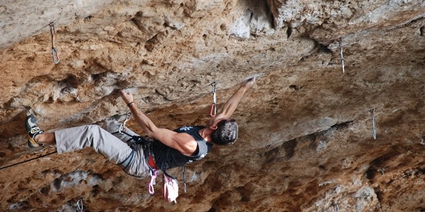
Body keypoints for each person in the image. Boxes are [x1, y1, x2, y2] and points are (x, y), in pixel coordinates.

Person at [25, 78, 256, 179]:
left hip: (140, 162)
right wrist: (244, 87)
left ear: (214, 127)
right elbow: (228, 110)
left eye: (217, 118)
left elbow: (151, 129)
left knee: (93, 134)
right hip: (143, 149)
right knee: (108, 125)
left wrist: (130, 101)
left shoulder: (191, 143)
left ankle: (38, 139)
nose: (215, 114)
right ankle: (55, 139)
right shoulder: (214, 131)